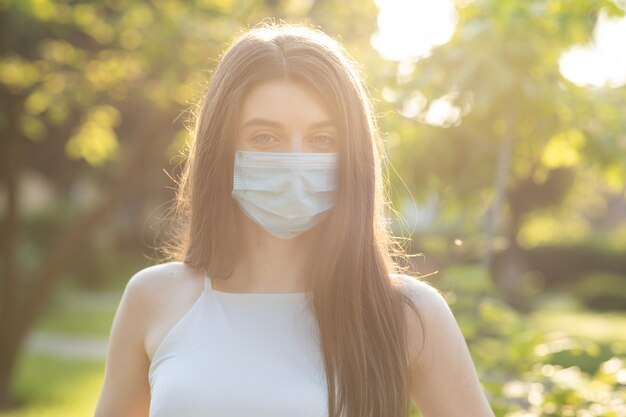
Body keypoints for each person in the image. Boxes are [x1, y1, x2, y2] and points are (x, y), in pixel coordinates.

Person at [94, 21, 495, 417]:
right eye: (265, 137)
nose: (296, 162)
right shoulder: (152, 298)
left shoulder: (408, 313)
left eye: (322, 139)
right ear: (222, 150)